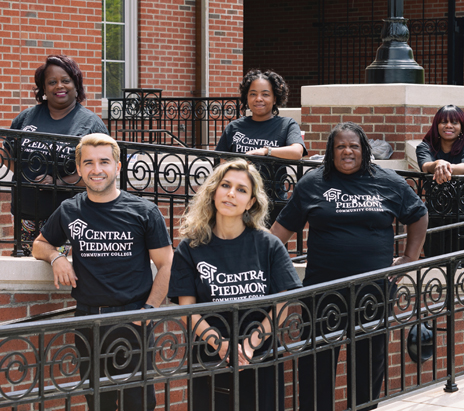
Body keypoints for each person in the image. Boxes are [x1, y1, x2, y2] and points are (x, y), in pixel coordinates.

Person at [270, 122, 428, 410]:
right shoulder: (312, 183)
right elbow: (279, 233)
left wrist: (409, 258)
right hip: (323, 292)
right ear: (331, 151)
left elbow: (418, 214)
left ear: (364, 150)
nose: (347, 151)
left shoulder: (388, 181)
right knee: (316, 366)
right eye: (340, 146)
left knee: (369, 366)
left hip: (373, 292)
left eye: (354, 146)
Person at [32, 133, 173, 411]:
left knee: (139, 402)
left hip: (132, 318)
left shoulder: (143, 211)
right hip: (87, 320)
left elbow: (168, 263)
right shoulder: (69, 210)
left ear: (117, 167)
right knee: (98, 402)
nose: (97, 170)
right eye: (89, 163)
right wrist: (57, 257)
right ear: (80, 168)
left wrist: (149, 309)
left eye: (104, 162)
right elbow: (39, 244)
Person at [168, 159, 301, 411]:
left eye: (241, 189)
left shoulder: (268, 244)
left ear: (251, 202)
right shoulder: (191, 247)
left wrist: (251, 344)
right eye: (225, 185)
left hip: (260, 354)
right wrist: (219, 343)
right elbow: (187, 309)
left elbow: (283, 303)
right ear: (213, 191)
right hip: (209, 355)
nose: (231, 193)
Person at [2, 54, 109, 254]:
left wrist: (57, 182)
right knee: (27, 271)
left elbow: (100, 173)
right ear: (43, 89)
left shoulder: (90, 124)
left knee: (64, 274)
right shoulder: (26, 118)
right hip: (26, 214)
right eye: (52, 82)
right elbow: (7, 154)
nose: (59, 86)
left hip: (69, 218)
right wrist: (26, 177)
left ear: (76, 85)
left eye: (65, 81)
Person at [215, 69, 307, 225]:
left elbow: (297, 151)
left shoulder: (286, 125)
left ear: (275, 97)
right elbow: (221, 165)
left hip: (273, 203)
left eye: (265, 94)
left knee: (269, 247)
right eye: (252, 94)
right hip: (238, 202)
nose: (258, 99)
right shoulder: (234, 127)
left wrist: (266, 151)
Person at [416, 104, 464, 256]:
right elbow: (425, 165)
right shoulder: (425, 147)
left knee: (463, 267)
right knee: (435, 264)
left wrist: (443, 166)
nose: (449, 126)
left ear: (462, 126)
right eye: (443, 122)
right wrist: (437, 163)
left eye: (454, 122)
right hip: (435, 214)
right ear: (436, 125)